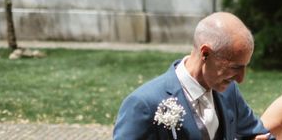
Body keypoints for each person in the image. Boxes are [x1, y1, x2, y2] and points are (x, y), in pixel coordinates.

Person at [113, 11, 272, 140]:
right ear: (205, 54)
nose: (241, 78)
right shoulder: (144, 104)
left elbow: (258, 134)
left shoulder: (229, 91)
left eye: (245, 67)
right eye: (234, 67)